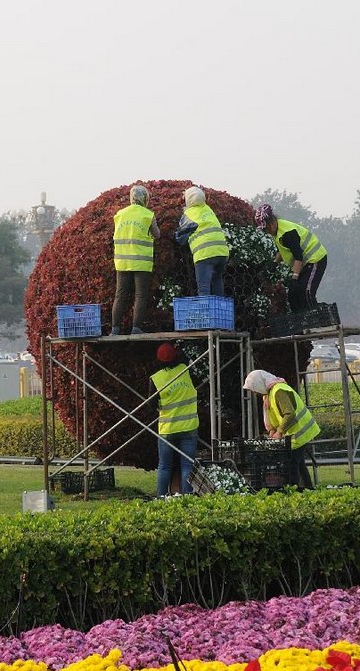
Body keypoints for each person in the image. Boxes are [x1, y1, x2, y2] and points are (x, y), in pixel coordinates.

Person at [243, 369, 320, 489]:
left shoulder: (279, 391)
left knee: (292, 464)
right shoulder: (269, 395)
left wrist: (279, 432)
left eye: (254, 388)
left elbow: (290, 414)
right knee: (298, 464)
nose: (254, 392)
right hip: (295, 435)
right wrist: (272, 431)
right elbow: (272, 417)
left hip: (300, 433)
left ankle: (296, 490)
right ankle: (307, 489)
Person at [254, 204, 327, 312]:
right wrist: (274, 263)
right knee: (294, 296)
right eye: (264, 229)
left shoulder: (288, 233)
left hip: (316, 259)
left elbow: (298, 257)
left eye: (267, 227)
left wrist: (294, 278)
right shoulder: (276, 231)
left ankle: (320, 319)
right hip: (305, 264)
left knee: (305, 292)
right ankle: (303, 321)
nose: (266, 231)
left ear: (272, 220)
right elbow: (282, 249)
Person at [111, 185, 161, 336]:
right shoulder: (148, 215)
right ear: (145, 198)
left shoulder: (119, 214)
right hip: (141, 262)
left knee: (120, 295)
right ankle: (136, 328)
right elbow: (157, 234)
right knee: (140, 295)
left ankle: (115, 329)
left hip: (122, 261)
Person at [150, 342, 199, 496]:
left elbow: (152, 404)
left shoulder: (156, 379)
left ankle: (161, 497)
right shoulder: (185, 371)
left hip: (167, 429)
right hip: (189, 427)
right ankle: (186, 498)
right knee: (187, 465)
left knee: (164, 466)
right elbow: (184, 356)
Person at [174, 186, 229, 296]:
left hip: (205, 254)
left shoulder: (189, 214)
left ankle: (205, 313)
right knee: (217, 281)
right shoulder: (208, 209)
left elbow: (180, 238)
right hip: (222, 252)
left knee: (204, 288)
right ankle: (218, 312)